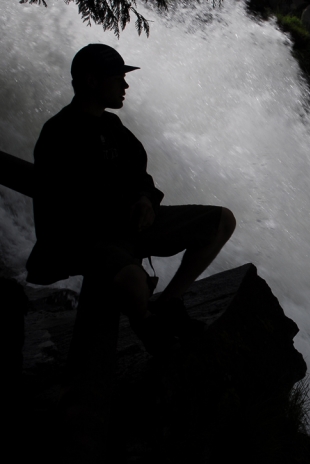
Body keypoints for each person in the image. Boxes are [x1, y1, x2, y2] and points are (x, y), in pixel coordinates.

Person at [26, 43, 236, 355]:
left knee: (221, 221)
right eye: (117, 78)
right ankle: (150, 329)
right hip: (86, 240)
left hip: (130, 226)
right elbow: (64, 211)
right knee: (132, 280)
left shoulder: (112, 127)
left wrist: (146, 201)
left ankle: (168, 303)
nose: (125, 85)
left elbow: (141, 176)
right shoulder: (59, 133)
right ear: (92, 81)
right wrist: (129, 211)